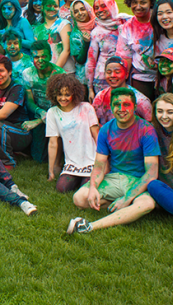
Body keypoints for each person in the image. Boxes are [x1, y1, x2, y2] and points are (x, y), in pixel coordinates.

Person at [67, 88, 159, 234]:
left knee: (147, 204)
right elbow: (99, 165)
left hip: (138, 180)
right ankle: (125, 209)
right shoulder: (106, 130)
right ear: (111, 107)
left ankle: (90, 226)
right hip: (115, 178)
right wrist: (93, 188)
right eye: (117, 105)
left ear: (135, 107)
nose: (121, 109)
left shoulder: (146, 129)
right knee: (79, 198)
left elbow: (152, 173)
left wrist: (128, 198)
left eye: (127, 105)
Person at [46, 74, 99, 193]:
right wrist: (51, 171)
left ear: (74, 94)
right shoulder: (52, 113)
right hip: (72, 163)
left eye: (67, 94)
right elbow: (53, 143)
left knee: (85, 189)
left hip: (91, 160)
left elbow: (97, 135)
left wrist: (102, 162)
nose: (63, 98)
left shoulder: (86, 108)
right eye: (60, 94)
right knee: (61, 188)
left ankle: (86, 179)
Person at [21, 40, 65, 162]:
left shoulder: (60, 75)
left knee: (49, 155)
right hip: (37, 112)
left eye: (43, 56)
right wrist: (40, 113)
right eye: (36, 57)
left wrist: (39, 121)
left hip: (57, 116)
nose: (40, 60)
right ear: (32, 58)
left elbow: (63, 106)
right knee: (38, 157)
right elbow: (29, 101)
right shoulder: (27, 74)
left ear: (50, 56)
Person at [116, 0, 156, 101]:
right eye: (134, 2)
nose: (138, 6)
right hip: (140, 78)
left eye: (143, 2)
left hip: (164, 75)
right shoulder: (127, 28)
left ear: (151, 3)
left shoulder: (159, 22)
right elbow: (125, 57)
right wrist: (123, 82)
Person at [86, 0, 130, 99]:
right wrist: (90, 88)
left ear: (111, 6)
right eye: (96, 8)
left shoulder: (126, 24)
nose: (99, 10)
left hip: (124, 77)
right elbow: (91, 62)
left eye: (103, 6)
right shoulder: (97, 32)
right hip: (102, 79)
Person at [93, 56, 152, 126]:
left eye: (117, 72)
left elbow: (150, 127)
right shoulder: (100, 96)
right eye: (109, 72)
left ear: (126, 74)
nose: (112, 75)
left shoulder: (140, 100)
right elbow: (94, 123)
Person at [34, 0, 74, 73]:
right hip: (45, 73)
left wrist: (54, 71)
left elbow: (66, 50)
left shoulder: (64, 24)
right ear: (42, 7)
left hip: (64, 72)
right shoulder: (37, 29)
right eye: (49, 6)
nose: (52, 9)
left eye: (55, 6)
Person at [147, 94, 173, 214]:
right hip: (166, 188)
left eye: (170, 112)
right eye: (160, 111)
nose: (164, 116)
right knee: (153, 186)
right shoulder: (152, 131)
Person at [69, 0, 96, 87]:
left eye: (82, 9)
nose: (80, 13)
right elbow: (80, 60)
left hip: (100, 73)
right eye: (76, 12)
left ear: (88, 9)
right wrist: (86, 43)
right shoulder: (76, 34)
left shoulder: (98, 24)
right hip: (84, 78)